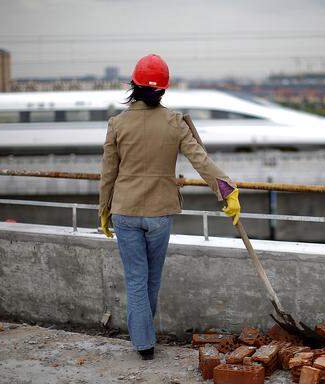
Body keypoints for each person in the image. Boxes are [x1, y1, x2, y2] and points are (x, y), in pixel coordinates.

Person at [98, 54, 241, 360]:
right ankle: (144, 337)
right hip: (160, 214)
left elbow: (108, 174)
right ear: (163, 90)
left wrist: (104, 211)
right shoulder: (175, 123)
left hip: (125, 211)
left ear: (133, 85)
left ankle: (143, 343)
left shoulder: (117, 124)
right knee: (151, 279)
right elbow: (201, 160)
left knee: (136, 279)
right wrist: (227, 189)